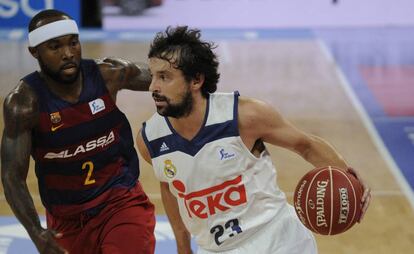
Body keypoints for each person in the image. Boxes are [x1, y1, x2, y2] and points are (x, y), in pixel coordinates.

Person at [136, 26, 371, 254]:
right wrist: (183, 247)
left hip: (277, 240)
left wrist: (348, 179)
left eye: (164, 77)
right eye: (153, 76)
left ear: (196, 80)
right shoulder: (150, 141)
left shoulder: (245, 116)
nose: (153, 87)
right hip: (214, 249)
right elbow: (169, 185)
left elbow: (305, 144)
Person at [1, 9, 155, 254]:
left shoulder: (108, 74)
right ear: (34, 52)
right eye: (55, 47)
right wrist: (36, 232)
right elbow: (12, 177)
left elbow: (166, 79)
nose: (68, 53)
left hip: (120, 201)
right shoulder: (24, 105)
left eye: (73, 43)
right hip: (66, 220)